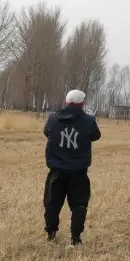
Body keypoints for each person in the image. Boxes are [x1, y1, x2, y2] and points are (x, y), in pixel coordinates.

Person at [43, 90, 102, 246]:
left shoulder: (53, 118)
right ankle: (75, 238)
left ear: (66, 102)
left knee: (52, 203)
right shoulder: (88, 121)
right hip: (78, 172)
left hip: (56, 170)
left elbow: (46, 132)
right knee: (79, 205)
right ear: (82, 104)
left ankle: (51, 233)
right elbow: (96, 135)